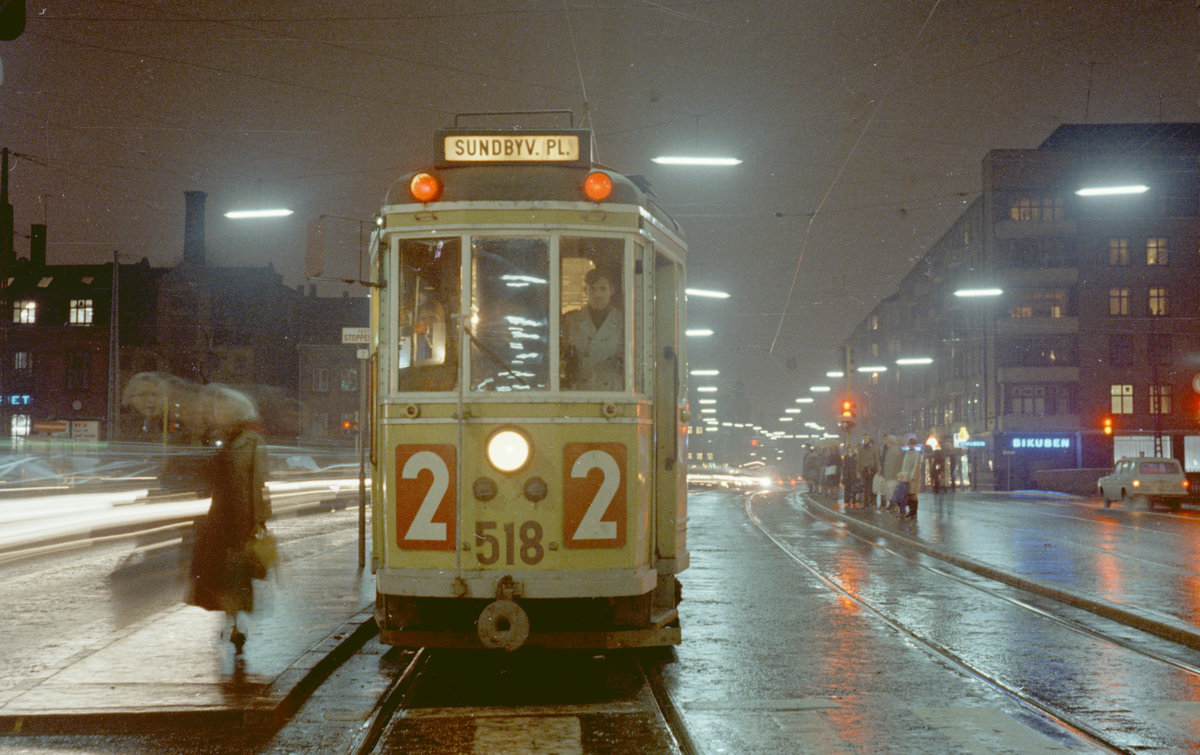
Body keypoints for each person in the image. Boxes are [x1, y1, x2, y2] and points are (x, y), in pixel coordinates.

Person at [187, 385, 271, 654]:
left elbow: (259, 483)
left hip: (241, 515)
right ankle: (231, 620)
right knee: (218, 570)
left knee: (235, 572)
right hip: (220, 513)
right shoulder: (215, 439)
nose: (218, 416)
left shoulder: (252, 441)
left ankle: (235, 624)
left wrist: (260, 519)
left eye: (223, 411)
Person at [561, 267, 623, 390]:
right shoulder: (570, 320)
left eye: (602, 289)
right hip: (579, 392)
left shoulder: (624, 321)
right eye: (592, 289)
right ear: (585, 291)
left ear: (611, 290)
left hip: (612, 393)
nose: (597, 295)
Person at [880, 434, 903, 508]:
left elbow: (897, 464)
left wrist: (897, 475)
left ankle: (894, 506)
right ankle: (892, 505)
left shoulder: (895, 451)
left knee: (892, 491)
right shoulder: (890, 450)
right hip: (889, 474)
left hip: (892, 475)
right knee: (890, 491)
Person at [858, 433, 880, 508]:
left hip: (871, 470)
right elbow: (859, 460)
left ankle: (873, 502)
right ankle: (866, 504)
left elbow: (876, 459)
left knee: (872, 487)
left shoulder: (873, 448)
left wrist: (878, 469)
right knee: (865, 487)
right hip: (864, 470)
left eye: (867, 438)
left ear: (869, 438)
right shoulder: (861, 448)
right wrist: (858, 471)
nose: (865, 439)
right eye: (864, 438)